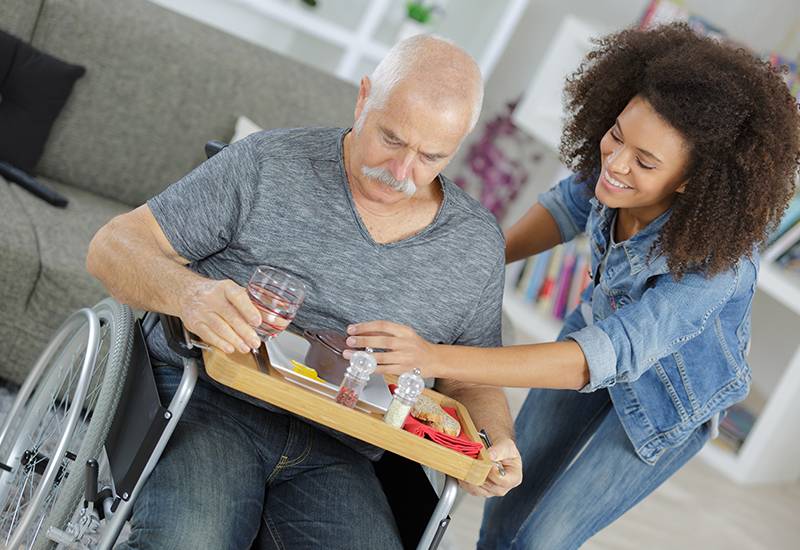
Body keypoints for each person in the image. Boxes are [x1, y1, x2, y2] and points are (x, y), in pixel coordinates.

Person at [344, 24, 800, 548]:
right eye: (617, 135)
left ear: (691, 180)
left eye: (645, 162)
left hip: (666, 400)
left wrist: (436, 357)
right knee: (500, 514)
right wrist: (463, 266)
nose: (616, 163)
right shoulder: (616, 167)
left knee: (540, 540)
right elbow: (563, 210)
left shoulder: (716, 264)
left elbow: (597, 358)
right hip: (594, 337)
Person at [86, 35, 523, 549]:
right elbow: (112, 246)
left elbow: (470, 379)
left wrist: (494, 443)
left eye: (431, 156)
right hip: (209, 397)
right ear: (364, 98)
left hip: (343, 443)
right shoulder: (269, 163)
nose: (401, 173)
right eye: (391, 138)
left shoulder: (474, 245)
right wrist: (191, 295)